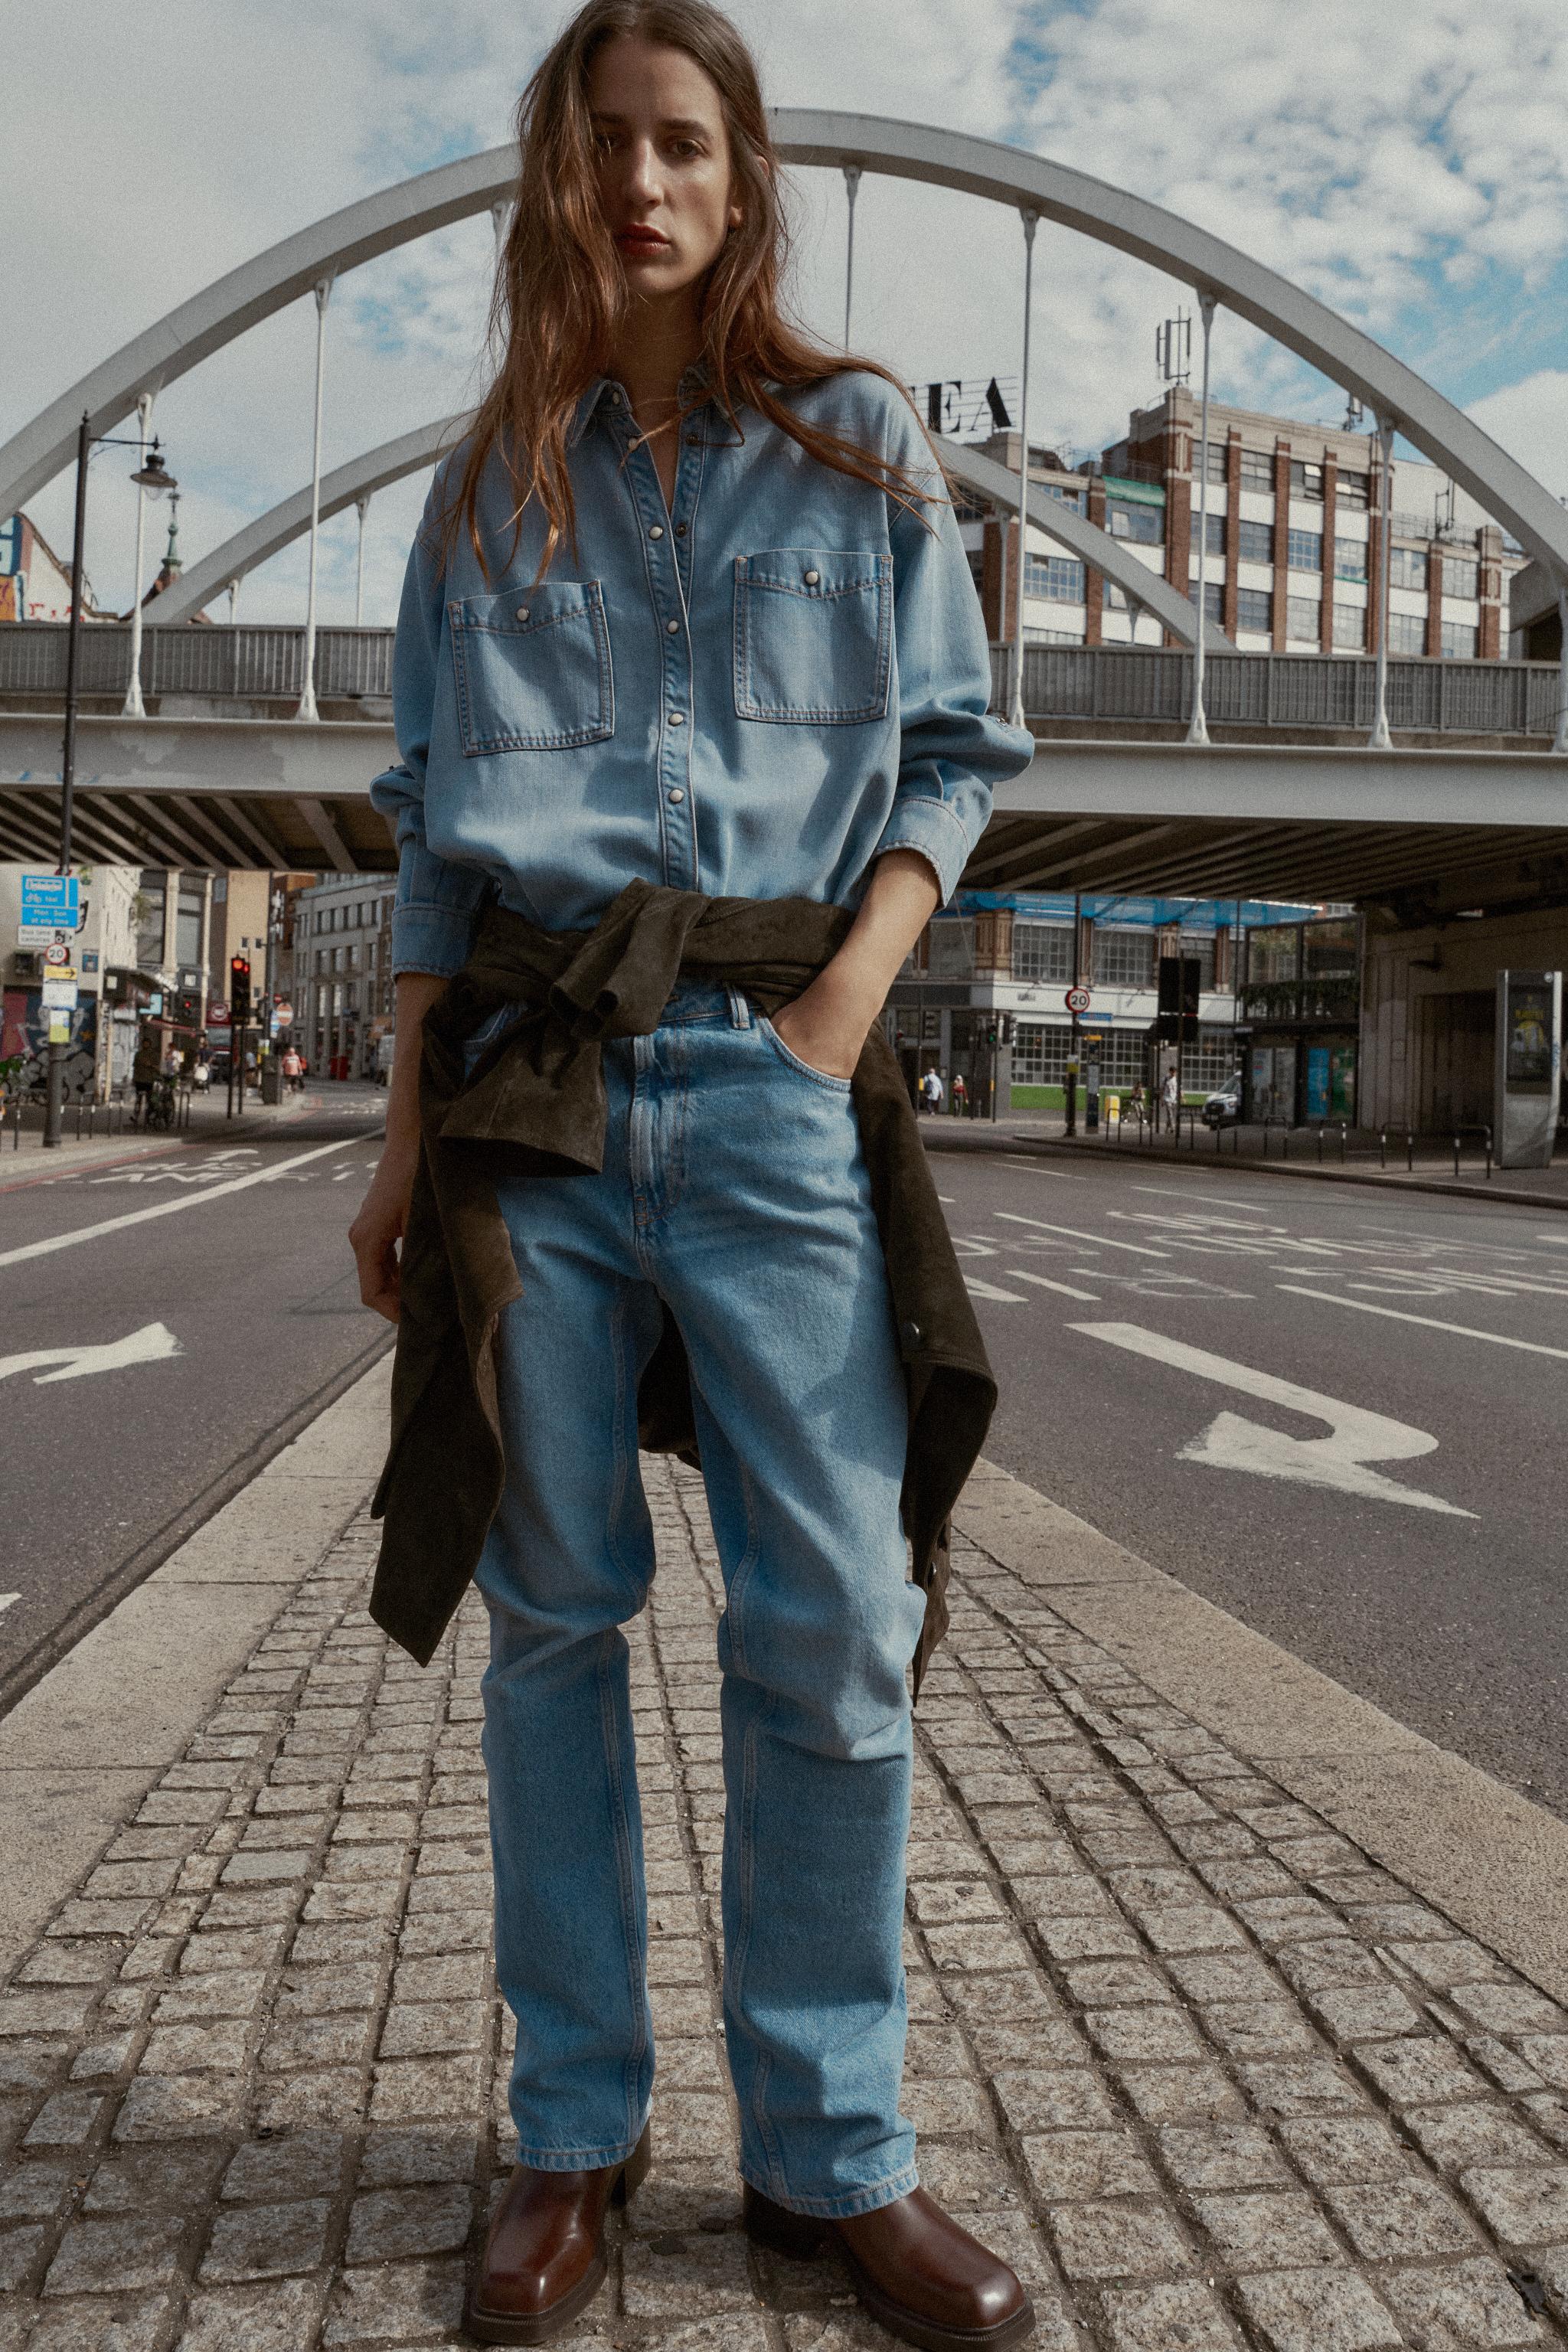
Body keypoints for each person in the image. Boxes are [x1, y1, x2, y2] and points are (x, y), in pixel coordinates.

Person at [347, 8, 1036, 2345]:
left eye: (678, 144)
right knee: (552, 1620)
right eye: (600, 146)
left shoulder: (859, 450)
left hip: (764, 1087)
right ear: (553, 180)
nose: (637, 184)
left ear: (740, 179)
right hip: (530, 1103)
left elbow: (956, 749)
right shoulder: (483, 491)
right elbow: (434, 840)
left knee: (831, 1622)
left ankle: (832, 2156)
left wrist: (840, 1012)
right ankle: (575, 2134)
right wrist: (400, 1136)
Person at [131, 1031, 160, 1125]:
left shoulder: (154, 1055)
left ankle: (148, 1117)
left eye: (147, 1043)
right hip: (139, 1079)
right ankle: (136, 1116)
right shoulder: (138, 1054)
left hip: (149, 1080)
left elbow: (158, 1067)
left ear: (150, 1044)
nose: (145, 1045)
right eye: (144, 1043)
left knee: (149, 1100)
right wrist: (134, 1079)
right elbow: (135, 1067)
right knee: (138, 1100)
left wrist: (150, 1065)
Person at [1161, 1067, 1179, 1132]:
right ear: (1170, 1072)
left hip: (1174, 1099)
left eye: (1175, 1072)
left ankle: (1167, 1128)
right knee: (1170, 1113)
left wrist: (1182, 1097)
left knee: (1172, 1114)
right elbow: (1162, 1089)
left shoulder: (1176, 1079)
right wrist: (1162, 1099)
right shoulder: (1166, 1079)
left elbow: (1179, 1089)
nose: (1174, 1073)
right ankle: (1172, 1127)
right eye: (1173, 1072)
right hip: (1167, 1098)